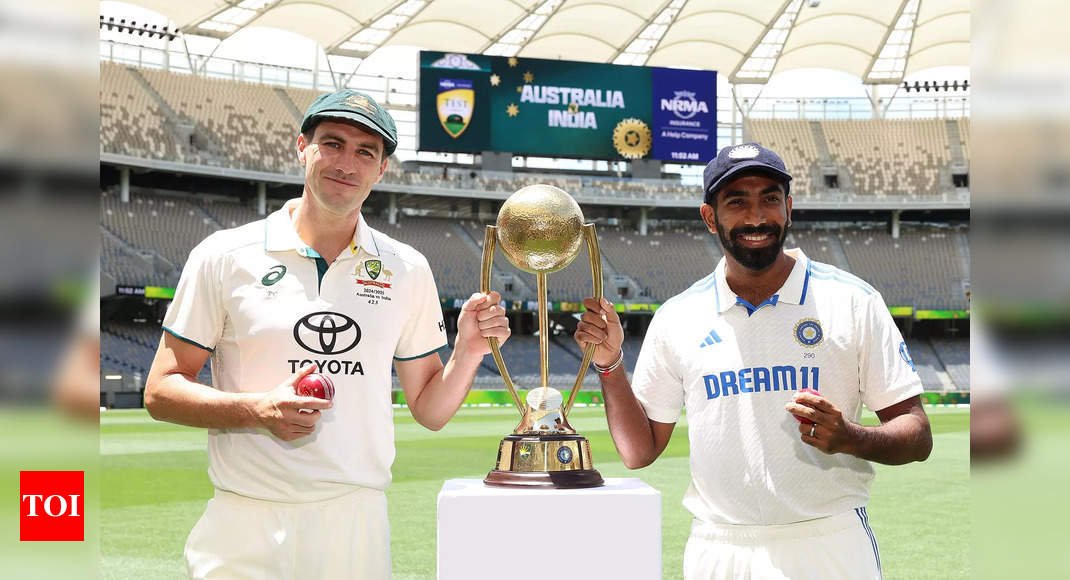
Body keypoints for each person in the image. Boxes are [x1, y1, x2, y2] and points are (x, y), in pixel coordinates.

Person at [145, 89, 510, 579]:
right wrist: (257, 410)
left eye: (365, 152)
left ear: (381, 170)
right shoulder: (225, 255)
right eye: (333, 143)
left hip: (354, 520)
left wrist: (467, 352)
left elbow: (430, 410)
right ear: (303, 147)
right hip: (245, 517)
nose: (346, 163)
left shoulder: (407, 268)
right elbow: (161, 390)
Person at [575, 143, 932, 579]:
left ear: (789, 209)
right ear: (710, 217)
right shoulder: (678, 316)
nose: (757, 217)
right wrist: (610, 364)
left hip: (829, 541)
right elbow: (639, 451)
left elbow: (917, 435)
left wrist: (850, 437)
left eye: (770, 198)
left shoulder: (853, 300)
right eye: (737, 202)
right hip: (720, 548)